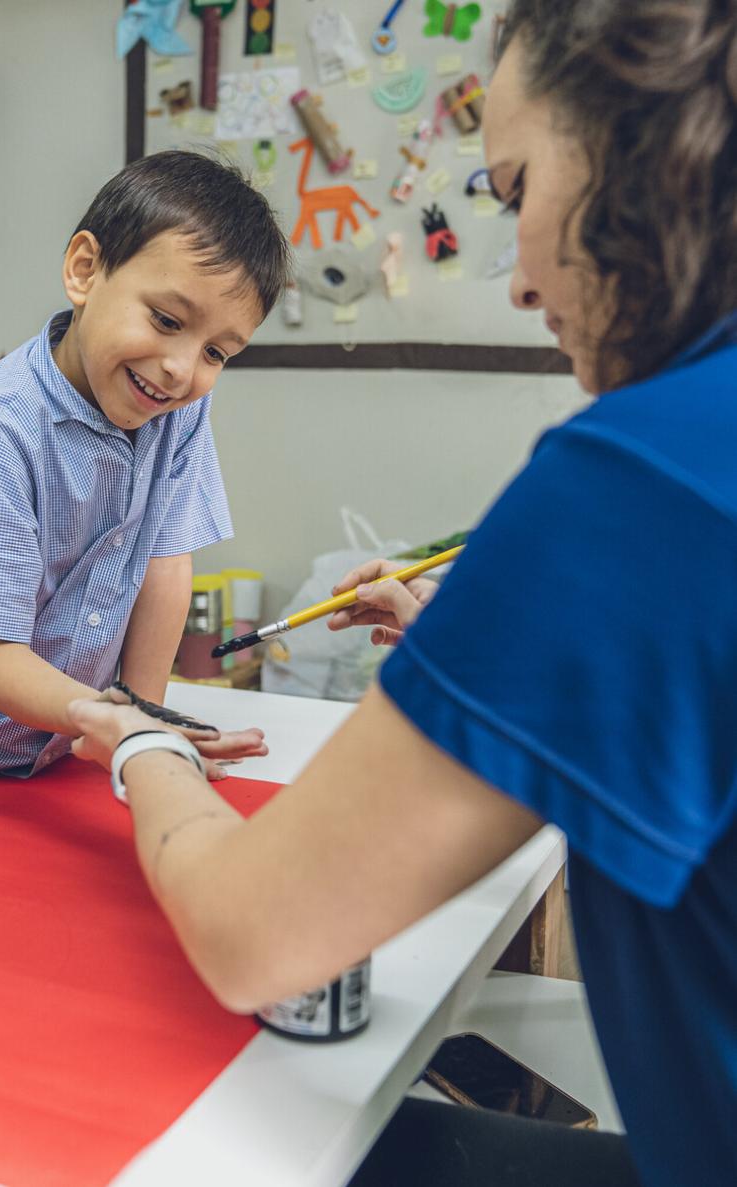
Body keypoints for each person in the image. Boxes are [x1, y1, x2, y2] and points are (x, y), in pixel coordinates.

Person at [64, 3, 737, 1185]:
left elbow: (254, 935)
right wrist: (482, 655)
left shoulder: (637, 478)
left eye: (517, 187)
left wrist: (137, 738)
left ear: (643, 158)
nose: (520, 277)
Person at [0, 151, 290, 810]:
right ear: (85, 271)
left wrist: (144, 721)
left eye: (217, 351)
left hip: (51, 734)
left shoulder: (180, 408)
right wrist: (115, 723)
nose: (179, 368)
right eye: (167, 320)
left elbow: (166, 560)